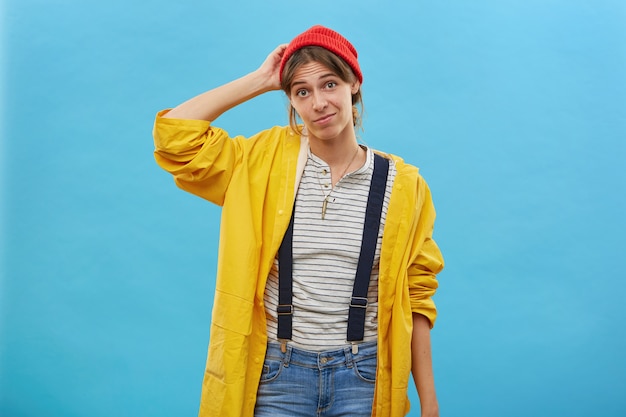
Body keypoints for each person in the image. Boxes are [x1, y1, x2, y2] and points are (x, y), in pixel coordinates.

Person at [153, 25, 444, 417]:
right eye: (301, 91)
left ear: (353, 83)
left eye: (329, 84)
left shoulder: (404, 185)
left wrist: (429, 403)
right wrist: (260, 80)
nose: (318, 103)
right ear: (289, 98)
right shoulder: (260, 162)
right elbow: (173, 137)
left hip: (364, 378)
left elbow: (417, 296)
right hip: (276, 375)